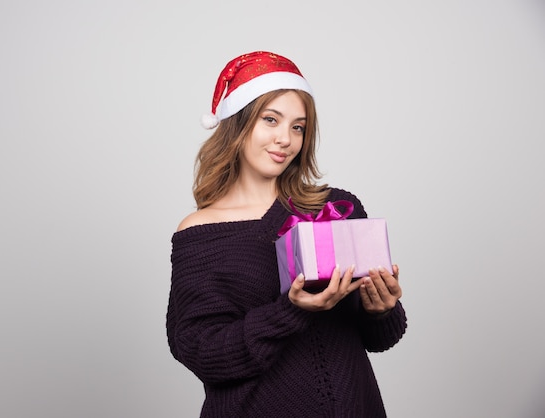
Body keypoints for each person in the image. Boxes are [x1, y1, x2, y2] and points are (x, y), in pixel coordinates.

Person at [166, 51, 407, 418]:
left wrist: (381, 309)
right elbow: (201, 352)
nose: (285, 139)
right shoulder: (201, 234)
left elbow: (380, 339)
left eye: (298, 126)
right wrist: (290, 312)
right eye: (271, 120)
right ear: (237, 123)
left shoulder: (335, 210)